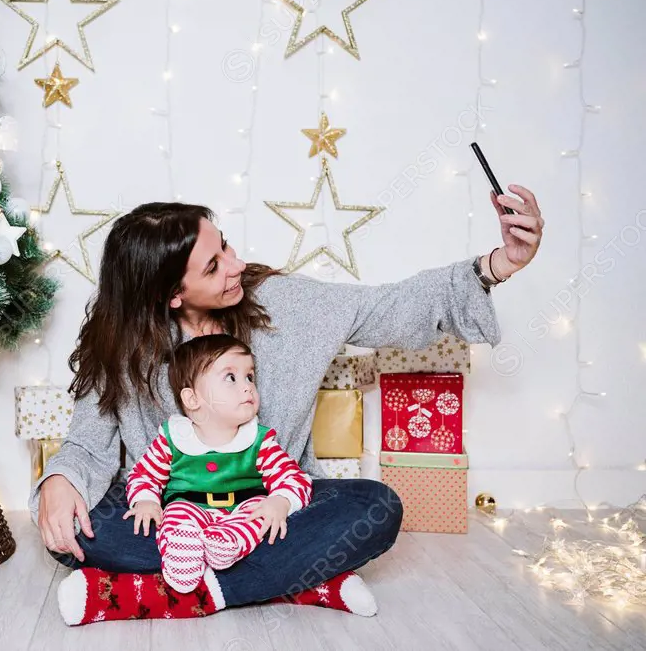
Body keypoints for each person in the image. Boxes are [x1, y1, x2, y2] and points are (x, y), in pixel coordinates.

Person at [34, 187, 544, 626]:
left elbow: (387, 307)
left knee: (378, 508)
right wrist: (61, 482)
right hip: (174, 519)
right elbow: (87, 445)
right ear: (170, 295)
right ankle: (296, 581)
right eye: (214, 266)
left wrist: (497, 265)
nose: (236, 265)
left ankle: (182, 593)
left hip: (273, 513)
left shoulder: (284, 304)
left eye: (225, 245)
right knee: (68, 532)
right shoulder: (122, 344)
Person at [125, 334, 313, 594]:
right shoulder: (174, 438)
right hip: (191, 506)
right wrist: (146, 500)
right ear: (192, 399)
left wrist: (280, 501)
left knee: (261, 513)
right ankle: (183, 552)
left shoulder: (258, 440)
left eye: (250, 377)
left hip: (242, 508)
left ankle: (232, 542)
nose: (247, 386)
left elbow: (293, 477)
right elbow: (144, 475)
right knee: (175, 513)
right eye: (231, 378)